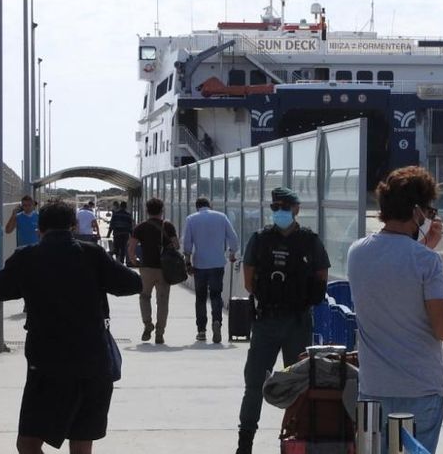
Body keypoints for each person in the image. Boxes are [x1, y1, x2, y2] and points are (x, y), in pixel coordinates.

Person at [0, 200, 142, 454]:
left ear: (39, 228)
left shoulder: (26, 257)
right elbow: (132, 284)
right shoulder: (92, 254)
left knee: (28, 443)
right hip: (92, 362)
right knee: (82, 442)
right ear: (72, 226)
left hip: (47, 364)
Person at [347, 165, 443, 454]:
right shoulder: (427, 262)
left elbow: (394, 268)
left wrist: (422, 249)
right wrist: (426, 251)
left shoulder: (356, 253)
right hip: (420, 390)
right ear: (418, 212)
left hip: (373, 388)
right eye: (430, 211)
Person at [235, 187, 330, 454]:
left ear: (296, 209)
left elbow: (321, 274)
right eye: (275, 208)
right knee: (254, 383)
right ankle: (245, 442)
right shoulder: (260, 239)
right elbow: (249, 279)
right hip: (267, 321)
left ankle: (295, 440)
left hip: (297, 322)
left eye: (285, 208)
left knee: (299, 384)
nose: (279, 213)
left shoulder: (309, 241)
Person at [182, 197, 239, 343]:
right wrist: (232, 253)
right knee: (216, 295)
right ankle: (217, 322)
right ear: (210, 205)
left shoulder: (191, 219)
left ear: (197, 207)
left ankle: (201, 330)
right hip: (217, 263)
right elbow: (233, 237)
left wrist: (187, 261)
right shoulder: (221, 217)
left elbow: (187, 243)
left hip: (200, 264)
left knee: (200, 298)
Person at [128, 197, 179, 345]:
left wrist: (134, 260)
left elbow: (131, 247)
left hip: (146, 268)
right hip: (164, 270)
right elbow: (176, 245)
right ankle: (160, 333)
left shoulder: (140, 227)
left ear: (147, 210)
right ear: (162, 210)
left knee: (144, 297)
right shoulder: (168, 226)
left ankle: (147, 324)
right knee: (162, 302)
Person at [107, 201, 134, 265]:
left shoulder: (115, 214)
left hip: (117, 234)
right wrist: (132, 235)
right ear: (126, 207)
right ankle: (121, 262)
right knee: (123, 248)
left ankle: (117, 261)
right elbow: (130, 226)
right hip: (125, 235)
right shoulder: (128, 215)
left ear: (120, 206)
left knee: (116, 248)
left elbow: (111, 225)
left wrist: (108, 234)